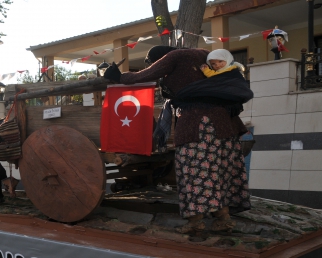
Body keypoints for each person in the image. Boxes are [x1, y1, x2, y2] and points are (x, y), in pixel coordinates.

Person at [104, 46, 251, 233]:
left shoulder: (176, 56)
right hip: (226, 124)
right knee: (219, 171)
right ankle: (223, 218)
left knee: (193, 171)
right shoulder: (205, 54)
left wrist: (117, 76)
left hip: (199, 123)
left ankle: (195, 222)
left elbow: (146, 75)